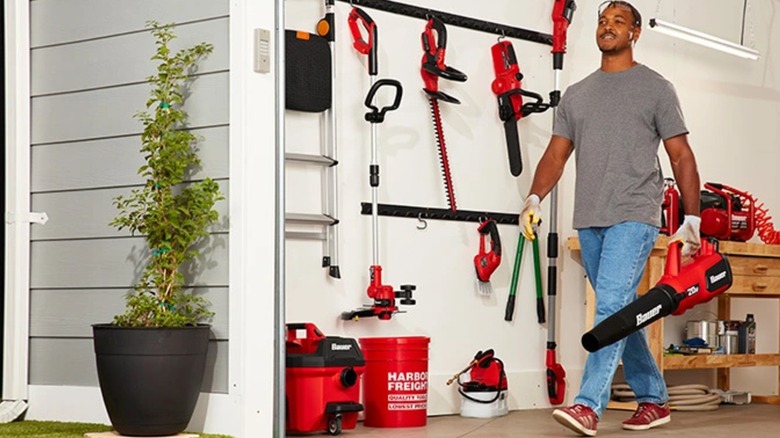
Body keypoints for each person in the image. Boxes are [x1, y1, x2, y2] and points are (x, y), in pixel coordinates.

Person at [519, 1, 701, 436]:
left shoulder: (655, 88)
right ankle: (654, 399)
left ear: (635, 32)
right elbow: (556, 154)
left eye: (619, 21)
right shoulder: (578, 95)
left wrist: (692, 218)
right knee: (617, 312)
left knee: (611, 308)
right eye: (603, 21)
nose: (608, 27)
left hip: (634, 214)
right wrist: (534, 197)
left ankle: (587, 405)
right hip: (590, 217)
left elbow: (681, 154)